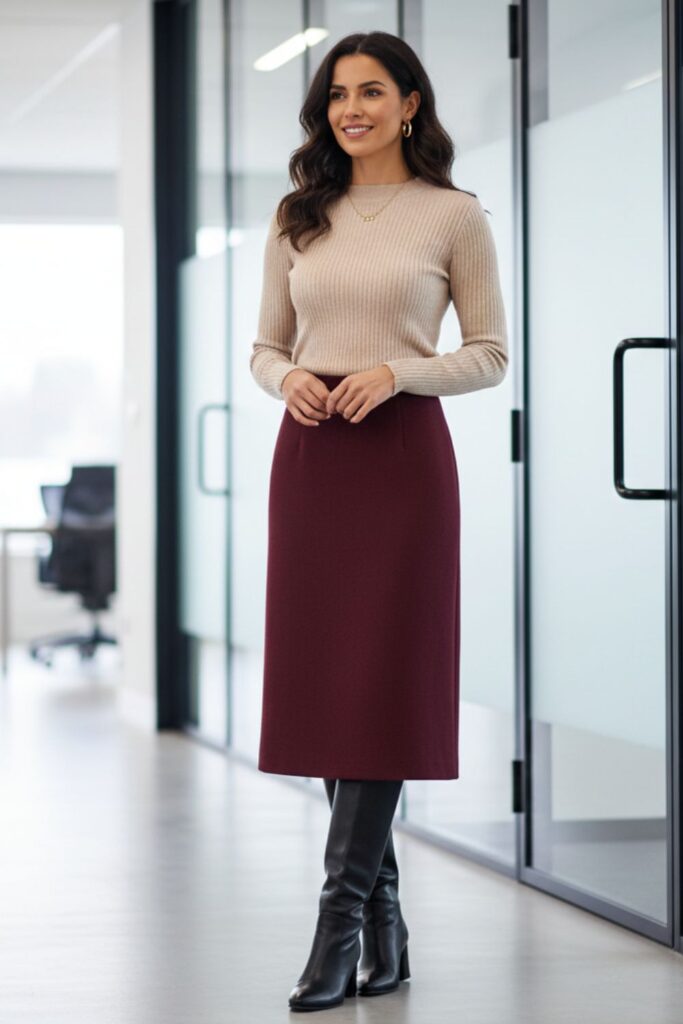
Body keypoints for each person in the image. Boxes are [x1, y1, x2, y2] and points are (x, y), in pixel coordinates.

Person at [249, 30, 508, 1013]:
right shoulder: (296, 217)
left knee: (378, 681)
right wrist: (288, 385)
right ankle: (385, 928)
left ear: (409, 104)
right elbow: (265, 345)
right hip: (312, 461)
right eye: (335, 95)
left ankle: (337, 924)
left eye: (369, 92)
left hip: (401, 463)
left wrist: (394, 371)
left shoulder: (453, 216)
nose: (348, 109)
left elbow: (486, 353)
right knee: (326, 690)